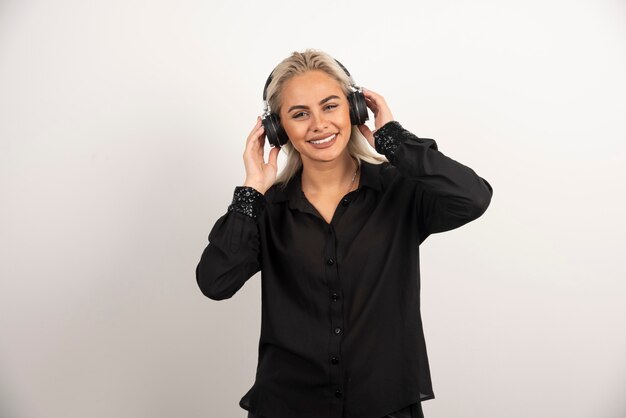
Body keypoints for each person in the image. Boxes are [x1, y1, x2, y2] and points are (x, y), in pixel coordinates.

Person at [195, 49, 493, 418]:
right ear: (277, 130)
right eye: (299, 114)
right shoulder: (266, 209)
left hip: (386, 406)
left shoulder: (398, 192)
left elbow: (473, 197)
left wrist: (394, 141)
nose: (319, 124)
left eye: (330, 106)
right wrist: (252, 190)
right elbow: (215, 281)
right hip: (287, 408)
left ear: (354, 110)